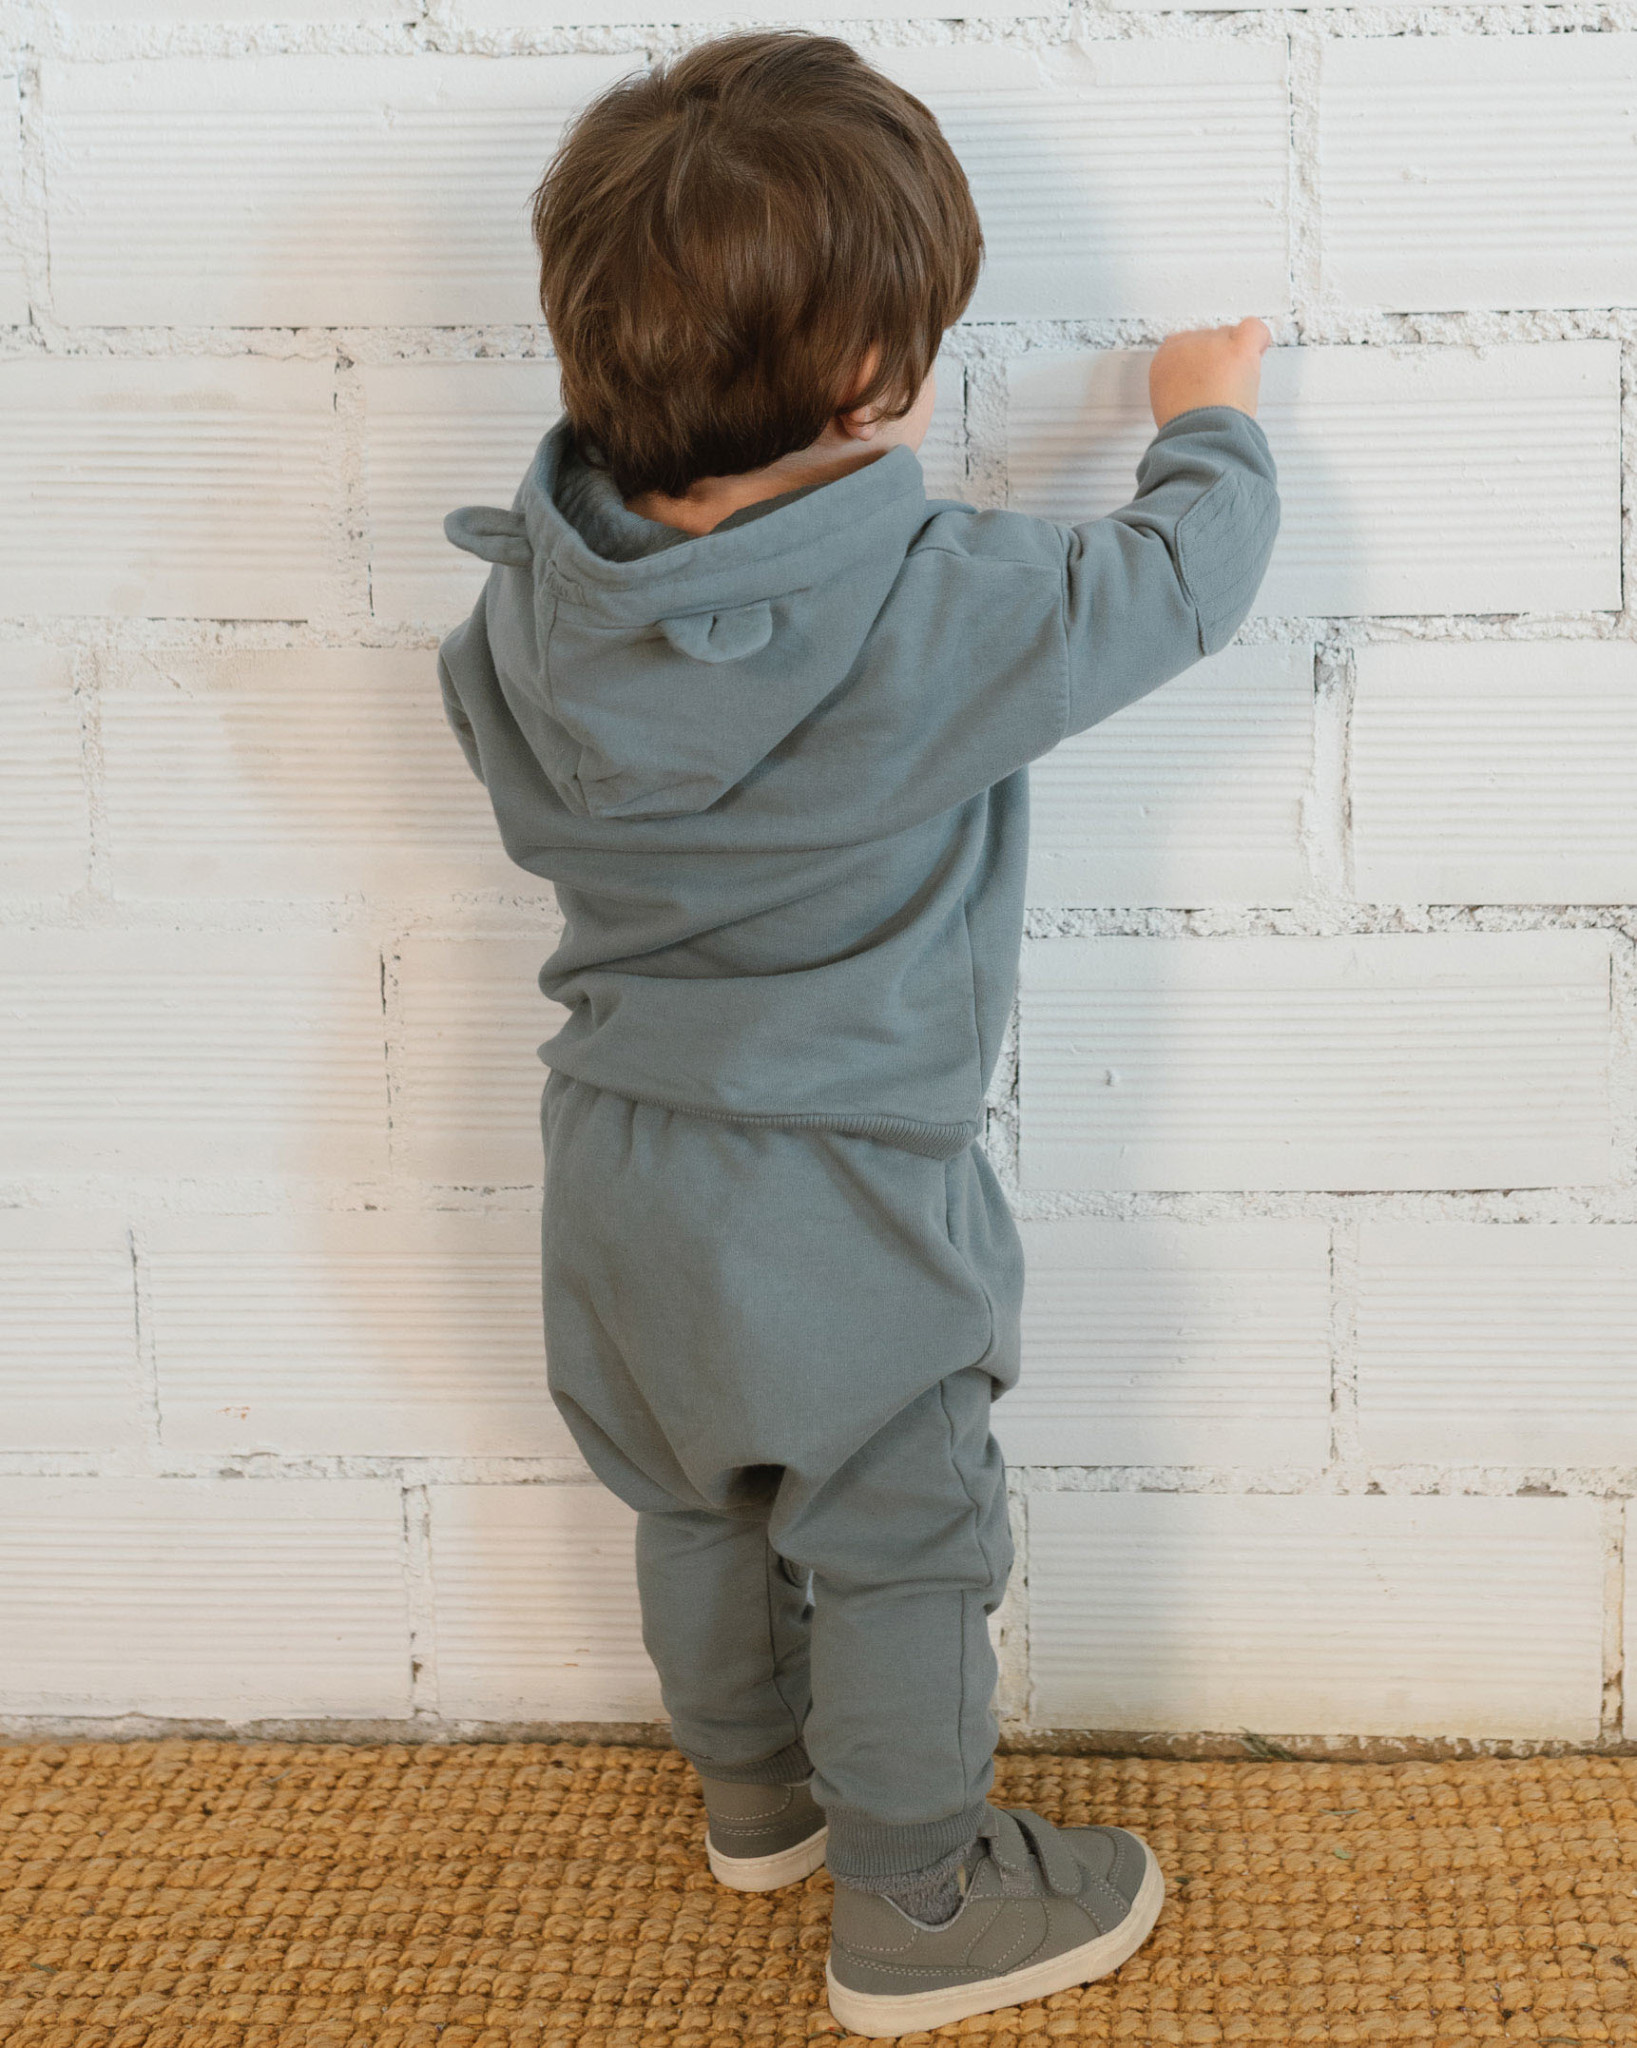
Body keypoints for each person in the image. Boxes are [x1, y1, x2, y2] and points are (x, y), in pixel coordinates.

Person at [436, 30, 1278, 2036]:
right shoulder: (934, 601)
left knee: (695, 1499)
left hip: (611, 1162)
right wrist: (1209, 419)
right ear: (872, 378)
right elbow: (1186, 582)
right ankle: (919, 1901)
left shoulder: (524, 618)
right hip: (844, 1181)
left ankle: (759, 1806)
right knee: (900, 1536)